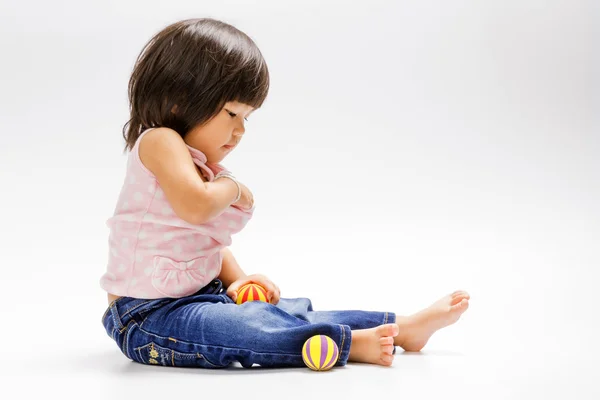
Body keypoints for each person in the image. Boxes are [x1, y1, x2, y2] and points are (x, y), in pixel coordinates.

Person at [100, 17, 470, 369]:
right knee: (241, 328)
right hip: (147, 316)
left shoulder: (200, 167)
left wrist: (238, 279)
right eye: (232, 113)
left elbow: (202, 240)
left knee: (284, 312)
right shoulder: (159, 141)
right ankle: (348, 344)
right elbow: (197, 209)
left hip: (203, 295)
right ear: (179, 100)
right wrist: (231, 188)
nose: (240, 130)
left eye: (247, 118)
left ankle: (402, 327)